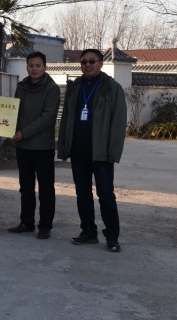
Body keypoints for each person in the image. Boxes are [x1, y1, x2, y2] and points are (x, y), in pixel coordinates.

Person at [57, 49, 127, 252]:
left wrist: (113, 152)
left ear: (101, 63)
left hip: (101, 152)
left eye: (92, 61)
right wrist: (64, 146)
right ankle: (88, 231)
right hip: (78, 151)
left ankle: (112, 236)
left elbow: (118, 122)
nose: (87, 65)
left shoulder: (111, 87)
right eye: (84, 62)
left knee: (106, 195)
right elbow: (66, 119)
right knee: (82, 194)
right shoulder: (75, 87)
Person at [8, 51, 60, 239]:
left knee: (46, 188)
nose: (34, 69)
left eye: (38, 65)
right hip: (23, 146)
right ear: (27, 67)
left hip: (42, 147)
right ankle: (26, 222)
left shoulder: (52, 88)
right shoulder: (22, 86)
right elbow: (14, 111)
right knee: (26, 187)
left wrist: (24, 132)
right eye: (31, 65)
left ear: (45, 67)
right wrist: (6, 128)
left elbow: (48, 117)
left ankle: (45, 225)